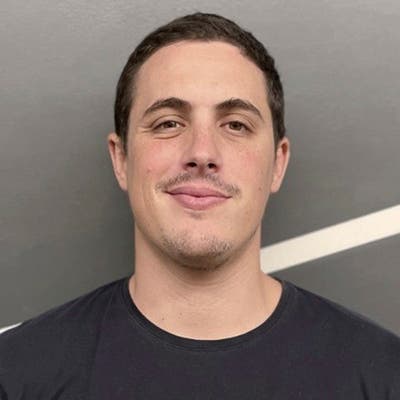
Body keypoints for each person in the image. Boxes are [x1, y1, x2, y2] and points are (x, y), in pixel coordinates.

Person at [1, 12, 399, 399]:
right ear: (121, 159)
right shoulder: (16, 375)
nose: (202, 153)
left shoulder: (384, 377)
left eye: (236, 124)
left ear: (278, 164)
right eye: (168, 123)